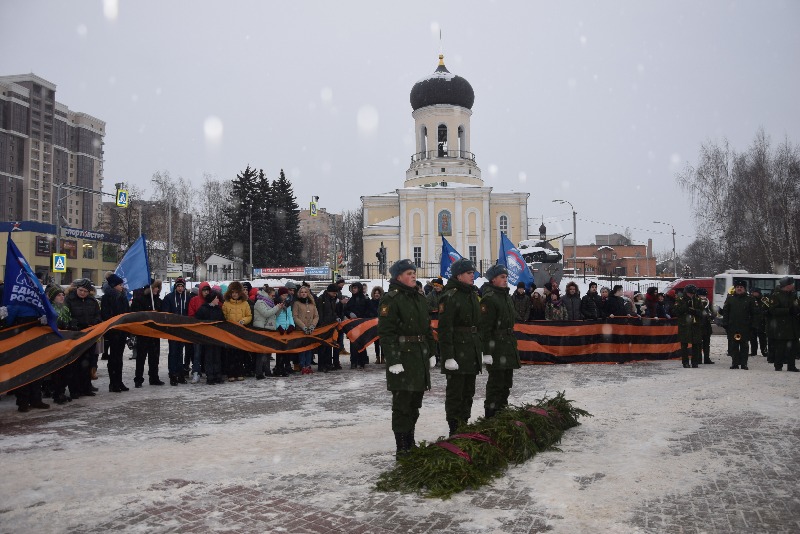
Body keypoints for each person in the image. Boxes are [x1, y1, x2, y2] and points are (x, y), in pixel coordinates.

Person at [378, 259, 436, 458]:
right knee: (402, 405)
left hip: (419, 357)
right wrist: (393, 359)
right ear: (398, 277)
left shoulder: (419, 298)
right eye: (409, 273)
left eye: (414, 273)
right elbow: (386, 333)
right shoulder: (391, 300)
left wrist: (432, 352)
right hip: (402, 358)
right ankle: (402, 447)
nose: (413, 276)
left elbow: (427, 330)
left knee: (415, 403)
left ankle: (410, 442)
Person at [439, 259, 483, 436]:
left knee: (468, 391)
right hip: (458, 351)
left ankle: (464, 423)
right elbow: (445, 328)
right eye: (469, 273)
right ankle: (454, 428)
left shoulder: (472, 294)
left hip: (471, 350)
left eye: (473, 273)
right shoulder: (450, 296)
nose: (473, 275)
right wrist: (448, 355)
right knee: (456, 392)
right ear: (459, 276)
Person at [479, 264, 522, 419]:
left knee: (506, 384)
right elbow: (485, 328)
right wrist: (487, 352)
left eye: (506, 277)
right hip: (496, 347)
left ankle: (502, 414)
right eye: (502, 277)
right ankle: (490, 417)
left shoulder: (505, 296)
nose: (505, 280)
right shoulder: (489, 299)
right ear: (493, 280)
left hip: (508, 345)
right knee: (496, 384)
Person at [65, 279, 102, 398]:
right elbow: (66, 315)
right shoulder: (69, 299)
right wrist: (73, 323)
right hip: (75, 335)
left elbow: (97, 314)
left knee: (88, 362)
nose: (82, 293)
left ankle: (86, 387)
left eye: (85, 291)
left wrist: (96, 321)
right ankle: (74, 390)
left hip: (89, 335)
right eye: (81, 290)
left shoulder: (92, 301)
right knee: (75, 364)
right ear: (77, 289)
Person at [130, 280, 165, 387]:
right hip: (143, 333)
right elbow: (135, 315)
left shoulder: (158, 301)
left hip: (155, 333)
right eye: (155, 287)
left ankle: (154, 377)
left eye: (159, 288)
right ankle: (138, 379)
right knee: (141, 357)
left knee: (154, 357)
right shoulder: (139, 300)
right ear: (149, 288)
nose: (157, 289)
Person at [101, 273, 130, 392]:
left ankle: (119, 381)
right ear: (113, 285)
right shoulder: (107, 298)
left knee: (119, 358)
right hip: (113, 332)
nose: (122, 286)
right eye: (119, 284)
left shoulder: (123, 297)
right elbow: (105, 315)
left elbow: (127, 312)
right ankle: (113, 383)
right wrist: (114, 324)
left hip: (122, 331)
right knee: (113, 358)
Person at [162, 277, 193, 385]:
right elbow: (165, 313)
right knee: (173, 352)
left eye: (182, 286)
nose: (180, 288)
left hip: (183, 329)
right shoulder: (169, 297)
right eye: (178, 286)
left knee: (180, 352)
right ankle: (173, 374)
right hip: (173, 329)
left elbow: (190, 312)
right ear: (175, 287)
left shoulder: (188, 298)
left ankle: (180, 374)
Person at [767, 276, 799, 372]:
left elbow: (796, 305)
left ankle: (791, 366)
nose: (793, 286)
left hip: (793, 326)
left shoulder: (793, 295)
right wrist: (788, 310)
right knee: (780, 348)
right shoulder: (776, 295)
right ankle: (778, 365)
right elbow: (772, 310)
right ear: (786, 286)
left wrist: (797, 310)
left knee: (793, 347)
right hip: (781, 326)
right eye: (791, 284)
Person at [48, 285, 73, 405]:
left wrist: (71, 324)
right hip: (54, 341)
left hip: (65, 341)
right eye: (59, 295)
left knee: (66, 369)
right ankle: (57, 393)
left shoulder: (65, 308)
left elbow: (69, 320)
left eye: (63, 295)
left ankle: (62, 390)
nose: (62, 297)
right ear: (53, 297)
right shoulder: (50, 308)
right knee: (57, 370)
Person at [722, 280, 755, 369]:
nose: (739, 289)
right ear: (735, 288)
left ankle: (744, 363)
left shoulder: (750, 299)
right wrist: (725, 323)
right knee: (734, 346)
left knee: (744, 346)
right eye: (737, 287)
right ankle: (735, 363)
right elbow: (726, 312)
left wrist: (753, 325)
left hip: (745, 326)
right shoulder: (730, 298)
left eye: (741, 287)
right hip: (733, 326)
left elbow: (754, 313)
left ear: (744, 289)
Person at [222, 281, 252, 381]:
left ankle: (239, 372)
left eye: (236, 292)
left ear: (240, 293)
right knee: (230, 353)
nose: (234, 294)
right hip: (230, 332)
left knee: (240, 353)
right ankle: (231, 373)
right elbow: (224, 316)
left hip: (240, 331)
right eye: (232, 292)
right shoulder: (226, 303)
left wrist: (243, 321)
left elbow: (249, 316)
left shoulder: (245, 303)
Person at [195, 290, 225, 384]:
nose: (218, 300)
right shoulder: (203, 309)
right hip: (207, 337)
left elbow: (222, 321)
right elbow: (198, 322)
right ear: (212, 299)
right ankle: (210, 376)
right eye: (216, 298)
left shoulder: (218, 309)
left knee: (217, 356)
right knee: (209, 357)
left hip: (217, 337)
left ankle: (217, 375)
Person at [253, 286, 280, 379]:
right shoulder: (260, 302)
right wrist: (277, 307)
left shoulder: (270, 303)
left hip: (268, 328)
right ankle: (259, 372)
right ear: (267, 294)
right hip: (261, 329)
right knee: (261, 352)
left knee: (268, 352)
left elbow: (274, 314)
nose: (274, 297)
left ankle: (267, 371)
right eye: (272, 295)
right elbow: (266, 313)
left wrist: (279, 308)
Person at [674, 284, 703, 368]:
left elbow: (702, 312)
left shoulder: (697, 300)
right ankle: (685, 362)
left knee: (696, 345)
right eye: (689, 293)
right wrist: (686, 306)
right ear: (686, 292)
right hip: (684, 325)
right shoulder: (680, 299)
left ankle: (695, 362)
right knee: (684, 345)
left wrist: (694, 311)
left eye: (692, 293)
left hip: (695, 325)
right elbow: (676, 311)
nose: (691, 295)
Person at [293, 285, 319, 374]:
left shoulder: (312, 304)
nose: (303, 294)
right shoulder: (297, 303)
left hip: (310, 329)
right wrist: (303, 326)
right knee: (302, 349)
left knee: (309, 349)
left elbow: (316, 316)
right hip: (301, 329)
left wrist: (312, 325)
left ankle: (308, 365)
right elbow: (295, 317)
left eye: (305, 292)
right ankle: (302, 365)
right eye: (302, 292)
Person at [344, 282, 370, 369]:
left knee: (361, 343)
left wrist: (362, 317)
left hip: (362, 324)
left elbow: (369, 310)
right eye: (353, 288)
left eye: (355, 288)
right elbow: (346, 310)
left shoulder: (365, 299)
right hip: (353, 325)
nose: (354, 290)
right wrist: (350, 313)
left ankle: (362, 361)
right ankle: (354, 361)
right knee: (353, 342)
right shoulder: (351, 300)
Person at [273, 287, 296, 376]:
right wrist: (278, 326)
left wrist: (291, 325)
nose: (285, 297)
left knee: (287, 350)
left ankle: (286, 366)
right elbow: (273, 317)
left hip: (287, 329)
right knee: (280, 351)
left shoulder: (288, 304)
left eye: (286, 295)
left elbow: (290, 316)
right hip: (280, 330)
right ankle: (279, 367)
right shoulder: (276, 303)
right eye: (283, 295)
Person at [316, 284, 339, 372]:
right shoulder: (321, 299)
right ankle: (321, 365)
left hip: (331, 326)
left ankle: (328, 363)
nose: (335, 294)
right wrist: (321, 325)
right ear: (329, 291)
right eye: (333, 293)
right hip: (323, 327)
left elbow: (333, 312)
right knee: (322, 347)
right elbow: (320, 313)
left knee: (329, 345)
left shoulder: (332, 300)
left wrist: (336, 317)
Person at [696, 288, 716, 365]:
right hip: (698, 325)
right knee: (698, 344)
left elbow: (714, 311)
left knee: (706, 344)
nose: (703, 297)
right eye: (701, 295)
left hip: (707, 326)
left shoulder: (708, 303)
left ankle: (707, 358)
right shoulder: (696, 302)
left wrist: (711, 316)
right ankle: (699, 358)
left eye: (704, 295)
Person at [749, 287, 768, 357]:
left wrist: (764, 312)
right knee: (752, 338)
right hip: (753, 322)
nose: (753, 294)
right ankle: (753, 351)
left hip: (761, 322)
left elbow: (769, 308)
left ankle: (764, 351)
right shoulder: (751, 299)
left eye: (754, 292)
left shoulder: (764, 299)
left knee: (763, 339)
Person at [368, 286, 385, 363]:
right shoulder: (370, 302)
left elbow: (385, 312)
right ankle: (377, 357)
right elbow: (369, 312)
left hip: (382, 324)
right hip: (374, 324)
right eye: (375, 293)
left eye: (378, 293)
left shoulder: (383, 302)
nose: (376, 294)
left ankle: (383, 358)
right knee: (376, 342)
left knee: (383, 342)